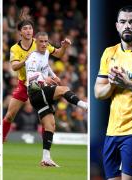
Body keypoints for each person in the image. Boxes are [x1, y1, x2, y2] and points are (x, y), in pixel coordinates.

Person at [3, 11, 72, 141]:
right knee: (9, 115)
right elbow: (14, 66)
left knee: (45, 118)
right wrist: (25, 60)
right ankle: (1, 139)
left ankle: (46, 152)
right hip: (24, 84)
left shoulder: (40, 42)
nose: (28, 31)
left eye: (30, 28)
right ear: (20, 33)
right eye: (25, 28)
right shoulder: (15, 48)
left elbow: (58, 54)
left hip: (40, 85)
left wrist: (64, 47)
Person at [25, 32, 87, 167]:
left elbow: (46, 66)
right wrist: (44, 78)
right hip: (35, 91)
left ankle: (46, 158)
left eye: (45, 41)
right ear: (36, 42)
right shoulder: (32, 58)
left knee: (50, 125)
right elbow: (30, 78)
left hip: (40, 95)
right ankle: (84, 106)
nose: (43, 44)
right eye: (40, 41)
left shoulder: (46, 52)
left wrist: (53, 75)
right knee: (64, 89)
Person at [94, 6, 132, 180]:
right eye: (124, 22)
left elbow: (127, 85)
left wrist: (128, 84)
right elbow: (98, 93)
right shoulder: (109, 53)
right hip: (112, 132)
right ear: (117, 25)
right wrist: (112, 85)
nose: (128, 26)